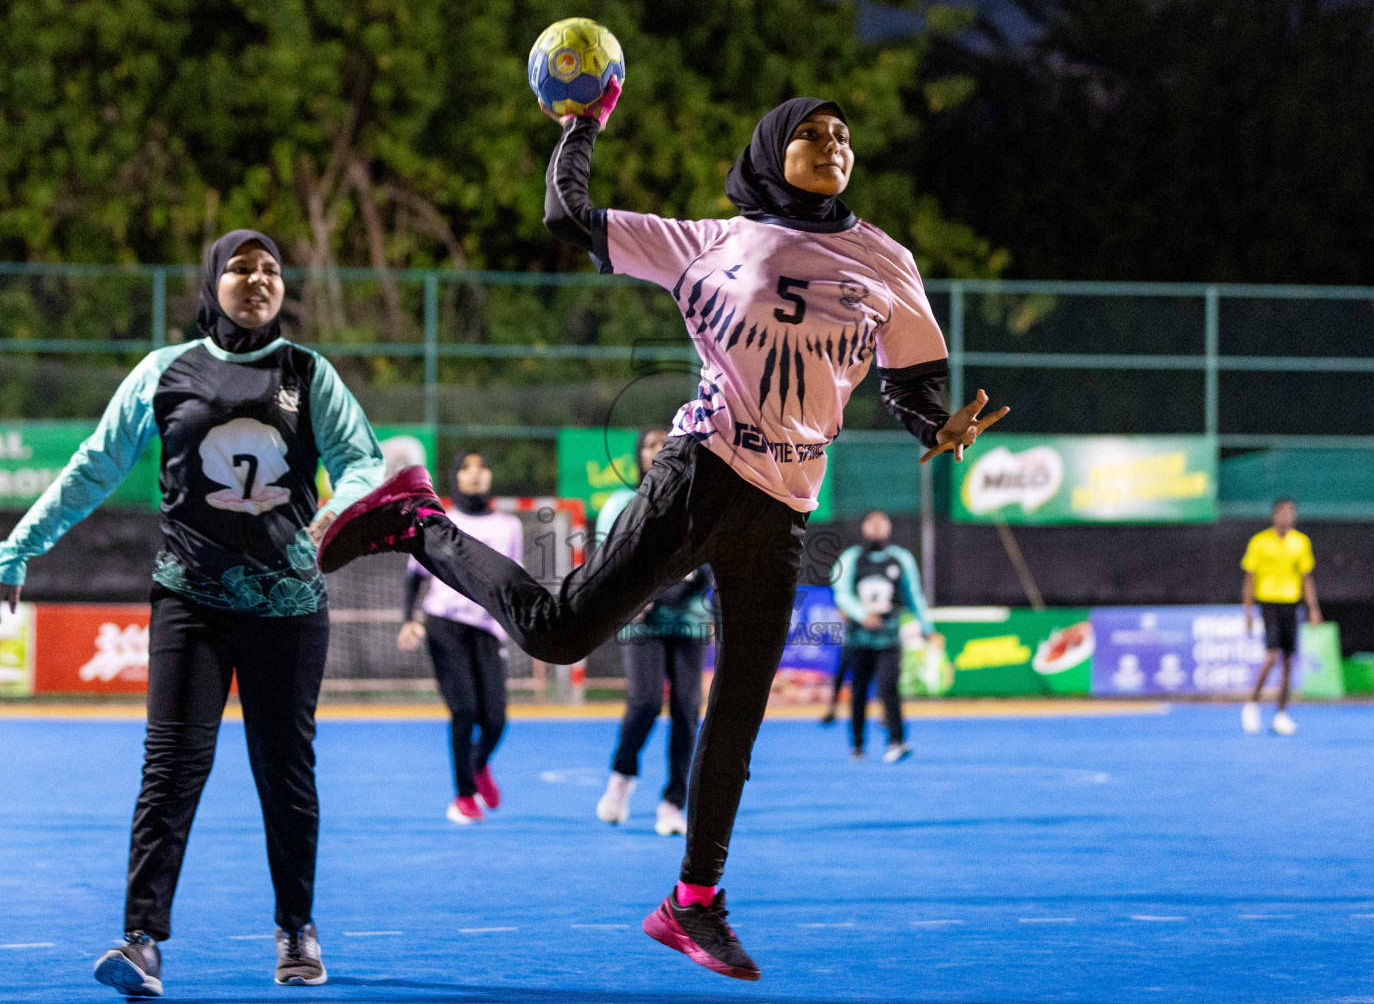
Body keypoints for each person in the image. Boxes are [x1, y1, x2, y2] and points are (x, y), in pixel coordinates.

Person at [317, 91, 1008, 981]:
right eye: (812, 133)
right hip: (703, 471)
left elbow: (909, 377)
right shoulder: (710, 242)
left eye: (842, 134)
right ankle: (415, 518)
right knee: (559, 631)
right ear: (769, 151)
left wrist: (934, 426)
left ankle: (694, 903)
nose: (833, 143)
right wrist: (582, 125)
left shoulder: (886, 259)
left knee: (739, 715)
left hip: (788, 504)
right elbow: (568, 215)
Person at [0, 230, 384, 996]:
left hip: (289, 606)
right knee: (169, 771)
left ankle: (296, 929)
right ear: (213, 281)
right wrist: (19, 544)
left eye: (270, 268)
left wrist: (342, 510)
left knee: (285, 774)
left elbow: (362, 458)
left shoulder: (309, 372)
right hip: (189, 602)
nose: (258, 279)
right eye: (241, 268)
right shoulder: (164, 372)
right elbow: (95, 465)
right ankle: (141, 942)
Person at [594, 427, 713, 836]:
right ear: (638, 454)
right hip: (641, 619)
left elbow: (712, 556)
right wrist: (631, 597)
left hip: (689, 618)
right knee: (644, 702)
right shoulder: (622, 503)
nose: (657, 449)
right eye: (648, 444)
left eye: (665, 441)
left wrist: (684, 593)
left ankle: (672, 802)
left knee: (686, 709)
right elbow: (608, 556)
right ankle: (621, 781)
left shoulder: (698, 500)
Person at [398, 450, 523, 824]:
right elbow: (414, 575)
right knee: (465, 710)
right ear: (455, 477)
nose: (475, 474)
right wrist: (408, 619)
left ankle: (477, 765)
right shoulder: (439, 522)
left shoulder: (509, 526)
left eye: (482, 466)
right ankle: (464, 795)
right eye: (466, 468)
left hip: (487, 629)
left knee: (496, 720)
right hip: (444, 624)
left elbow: (512, 580)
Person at [830, 510, 937, 762]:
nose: (877, 527)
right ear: (864, 527)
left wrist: (927, 626)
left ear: (889, 527)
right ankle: (857, 744)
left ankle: (897, 741)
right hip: (858, 639)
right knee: (858, 691)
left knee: (889, 687)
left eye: (882, 522)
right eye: (872, 522)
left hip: (889, 638)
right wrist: (860, 613)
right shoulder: (852, 557)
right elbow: (841, 592)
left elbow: (914, 596)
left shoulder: (900, 559)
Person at [1241, 497, 1322, 736]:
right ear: (1275, 514)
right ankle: (1252, 704)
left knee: (1288, 660)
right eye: (1284, 512)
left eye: (1292, 512)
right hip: (1268, 603)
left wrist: (1313, 608)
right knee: (1272, 655)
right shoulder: (1260, 541)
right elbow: (1250, 577)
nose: (1288, 517)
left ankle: (1281, 714)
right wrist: (1247, 610)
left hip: (1291, 604)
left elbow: (1307, 578)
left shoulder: (1301, 542)